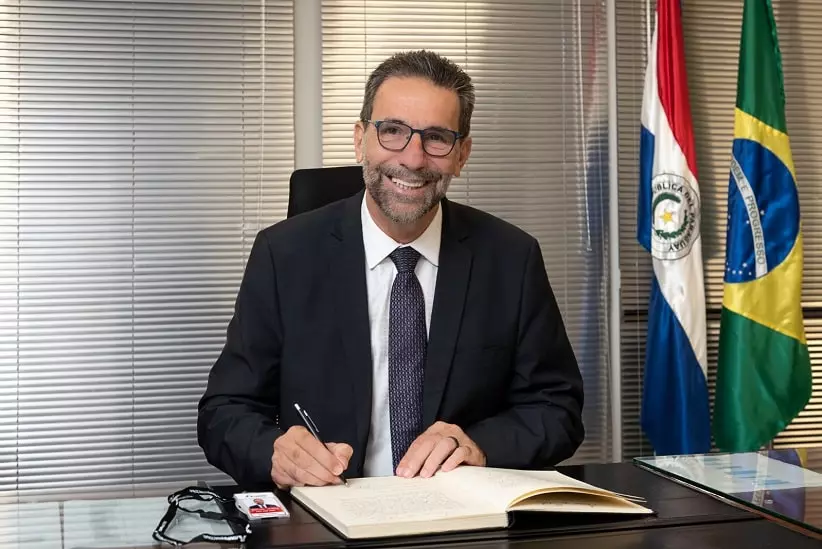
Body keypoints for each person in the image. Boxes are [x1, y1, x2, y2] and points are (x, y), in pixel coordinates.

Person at [197, 50, 584, 489]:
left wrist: (480, 445)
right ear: (360, 139)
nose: (414, 159)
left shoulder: (511, 258)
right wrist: (275, 453)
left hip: (461, 512)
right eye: (393, 131)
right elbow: (224, 412)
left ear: (462, 155)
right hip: (328, 510)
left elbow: (557, 409)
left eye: (437, 138)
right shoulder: (283, 254)